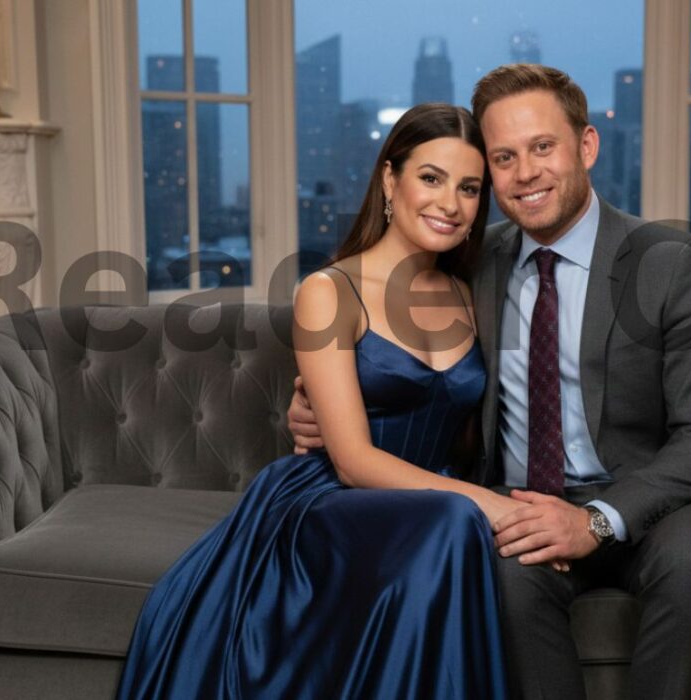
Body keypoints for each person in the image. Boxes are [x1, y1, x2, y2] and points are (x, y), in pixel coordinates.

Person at [289, 64, 691, 699]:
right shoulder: (473, 261)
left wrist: (598, 520)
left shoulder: (672, 262)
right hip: (522, 500)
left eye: (542, 147)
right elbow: (395, 351)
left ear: (587, 146)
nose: (526, 173)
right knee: (500, 579)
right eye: (504, 157)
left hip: (660, 500)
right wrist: (313, 405)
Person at [115, 103, 522, 700]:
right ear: (390, 179)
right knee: (456, 521)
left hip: (433, 499)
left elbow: (466, 426)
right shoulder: (331, 291)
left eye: (468, 188)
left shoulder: (471, 292)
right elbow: (354, 460)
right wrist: (491, 505)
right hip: (335, 497)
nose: (450, 204)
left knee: (452, 523)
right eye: (430, 178)